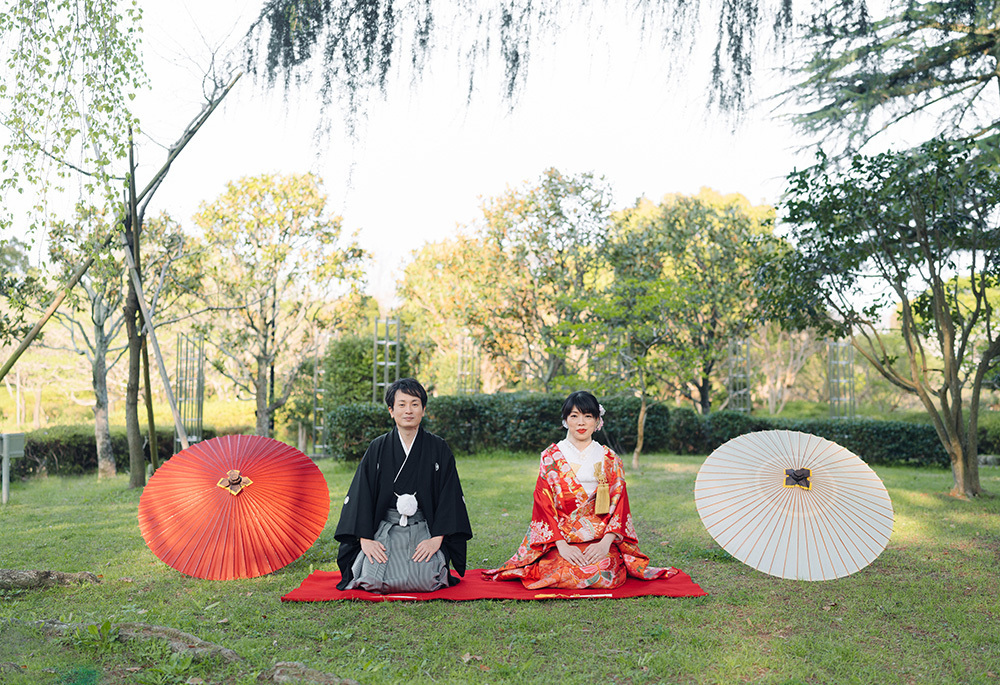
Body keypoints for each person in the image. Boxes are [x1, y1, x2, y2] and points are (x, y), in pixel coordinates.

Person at [483, 390, 676, 589]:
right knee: (562, 570)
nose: (581, 423)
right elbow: (544, 505)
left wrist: (604, 544)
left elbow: (620, 505)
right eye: (574, 416)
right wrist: (562, 546)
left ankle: (604, 556)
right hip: (561, 537)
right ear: (566, 421)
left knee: (602, 571)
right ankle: (559, 558)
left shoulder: (610, 458)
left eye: (588, 416)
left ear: (597, 421)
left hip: (599, 538)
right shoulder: (551, 457)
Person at [334, 378, 473, 592]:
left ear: (423, 410)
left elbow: (449, 496)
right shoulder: (378, 448)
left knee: (426, 581)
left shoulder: (438, 448)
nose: (408, 410)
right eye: (401, 404)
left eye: (414, 404)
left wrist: (436, 540)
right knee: (372, 581)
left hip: (423, 528)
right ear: (391, 410)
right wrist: (365, 539)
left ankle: (430, 559)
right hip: (385, 529)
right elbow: (361, 494)